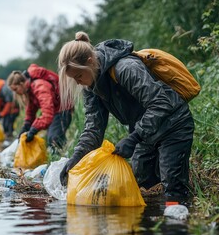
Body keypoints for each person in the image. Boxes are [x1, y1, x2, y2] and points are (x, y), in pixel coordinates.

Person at [57, 31, 194, 197]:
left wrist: (133, 138)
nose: (78, 82)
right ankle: (153, 221)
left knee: (173, 187)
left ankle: (179, 217)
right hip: (146, 134)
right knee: (143, 186)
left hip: (174, 125)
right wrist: (76, 157)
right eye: (74, 79)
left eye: (78, 76)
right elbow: (94, 127)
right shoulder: (91, 86)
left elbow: (161, 103)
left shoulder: (126, 68)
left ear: (90, 61)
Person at [7, 65, 72, 153]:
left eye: (15, 89)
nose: (16, 93)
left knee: (54, 139)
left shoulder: (40, 87)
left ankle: (61, 160)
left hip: (63, 109)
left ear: (21, 84)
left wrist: (34, 129)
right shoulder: (28, 90)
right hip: (55, 111)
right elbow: (30, 112)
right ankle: (59, 157)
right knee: (51, 139)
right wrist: (26, 127)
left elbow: (47, 115)